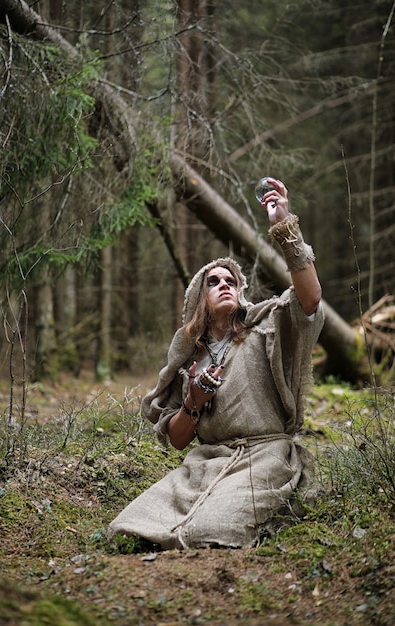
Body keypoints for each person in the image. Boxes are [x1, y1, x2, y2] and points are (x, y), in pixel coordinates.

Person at [108, 178, 324, 550]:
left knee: (208, 530)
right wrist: (193, 402)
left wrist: (285, 229)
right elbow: (177, 439)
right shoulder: (188, 358)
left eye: (231, 281)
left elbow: (309, 299)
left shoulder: (266, 328)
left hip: (266, 457)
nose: (225, 284)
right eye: (214, 281)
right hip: (204, 461)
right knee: (134, 523)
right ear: (199, 299)